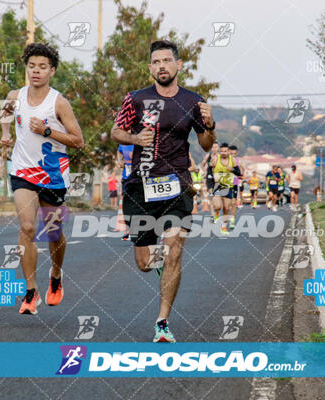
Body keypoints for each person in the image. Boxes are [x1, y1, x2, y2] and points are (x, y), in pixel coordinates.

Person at [111, 40, 216, 343]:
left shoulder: (193, 101)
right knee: (145, 264)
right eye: (156, 62)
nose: (162, 66)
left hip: (177, 185)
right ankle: (161, 265)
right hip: (139, 187)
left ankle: (162, 322)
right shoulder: (136, 99)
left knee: (174, 250)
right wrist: (135, 138)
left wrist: (210, 124)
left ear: (178, 65)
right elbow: (116, 131)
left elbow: (206, 143)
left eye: (167, 61)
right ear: (150, 68)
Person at [0, 43, 84, 315]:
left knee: (54, 231)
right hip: (23, 171)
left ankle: (56, 275)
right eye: (31, 66)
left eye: (42, 67)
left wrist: (48, 131)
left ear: (52, 70)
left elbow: (78, 141)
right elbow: (5, 114)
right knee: (27, 227)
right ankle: (30, 291)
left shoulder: (59, 102)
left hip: (53, 174)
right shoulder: (15, 95)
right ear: (26, 68)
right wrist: (5, 133)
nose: (36, 71)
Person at [210, 143, 237, 234]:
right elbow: (209, 172)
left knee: (226, 208)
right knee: (217, 206)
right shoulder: (215, 159)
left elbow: (238, 173)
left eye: (225, 151)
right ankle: (217, 214)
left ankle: (223, 227)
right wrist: (211, 182)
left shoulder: (232, 160)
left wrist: (232, 169)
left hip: (229, 186)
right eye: (221, 151)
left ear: (228, 151)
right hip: (218, 186)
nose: (223, 153)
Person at [117, 144, 134, 240]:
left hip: (139, 179)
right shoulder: (123, 143)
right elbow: (119, 151)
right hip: (126, 179)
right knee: (127, 205)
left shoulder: (140, 140)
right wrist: (120, 161)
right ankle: (128, 230)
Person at [201, 141, 219, 220]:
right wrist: (204, 172)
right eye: (213, 147)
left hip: (218, 179)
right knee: (211, 197)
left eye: (216, 147)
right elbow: (202, 165)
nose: (214, 149)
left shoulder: (220, 157)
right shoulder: (208, 156)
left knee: (217, 199)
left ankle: (217, 214)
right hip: (209, 178)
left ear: (218, 148)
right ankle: (212, 216)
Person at [229, 145, 243, 228]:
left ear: (236, 153)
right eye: (231, 153)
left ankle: (232, 220)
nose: (233, 155)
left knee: (233, 203)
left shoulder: (238, 161)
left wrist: (240, 169)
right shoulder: (225, 161)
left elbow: (241, 172)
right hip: (224, 184)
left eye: (234, 153)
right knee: (226, 204)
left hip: (234, 184)